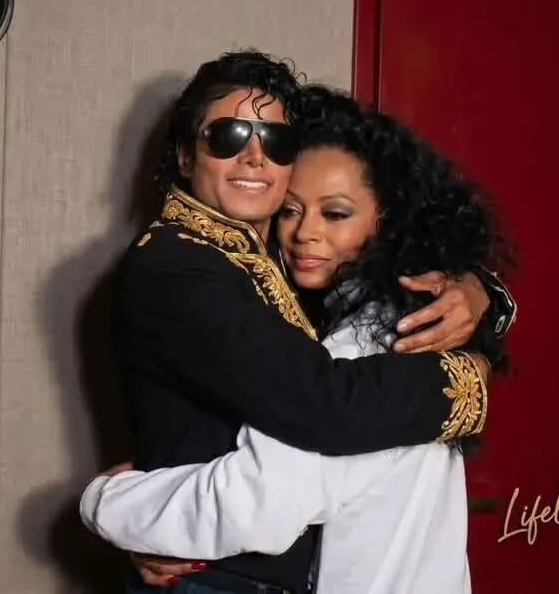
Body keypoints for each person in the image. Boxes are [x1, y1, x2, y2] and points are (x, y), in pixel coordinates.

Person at [96, 52, 515, 594]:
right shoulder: (178, 264)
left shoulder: (324, 292)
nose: (254, 156)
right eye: (227, 135)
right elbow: (322, 407)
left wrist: (481, 293)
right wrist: (471, 374)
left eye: (275, 141)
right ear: (184, 154)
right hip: (218, 578)